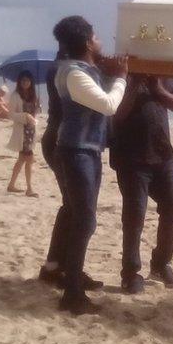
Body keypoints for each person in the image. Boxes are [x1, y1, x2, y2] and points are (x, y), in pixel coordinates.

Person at [52, 16, 127, 315]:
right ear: (86, 42)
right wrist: (121, 76)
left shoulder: (82, 70)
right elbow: (108, 104)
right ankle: (72, 293)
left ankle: (72, 277)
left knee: (78, 217)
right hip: (76, 152)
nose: (100, 40)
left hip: (85, 151)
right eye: (95, 36)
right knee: (85, 220)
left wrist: (111, 71)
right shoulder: (74, 74)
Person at [110, 74, 173, 294]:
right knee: (135, 216)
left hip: (163, 155)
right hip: (131, 159)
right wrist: (133, 84)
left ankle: (161, 264)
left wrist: (159, 90)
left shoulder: (162, 74)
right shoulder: (120, 76)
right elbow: (116, 115)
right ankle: (130, 273)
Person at [38, 57, 104, 291]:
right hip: (66, 143)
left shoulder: (61, 67)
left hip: (57, 139)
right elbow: (104, 103)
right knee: (80, 214)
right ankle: (67, 274)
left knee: (71, 207)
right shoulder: (71, 70)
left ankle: (56, 266)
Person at [6, 72, 40, 197]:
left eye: (28, 80)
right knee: (29, 159)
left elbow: (35, 114)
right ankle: (29, 189)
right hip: (22, 132)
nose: (25, 83)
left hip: (31, 131)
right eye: (23, 80)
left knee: (22, 159)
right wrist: (24, 116)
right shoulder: (15, 95)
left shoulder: (33, 96)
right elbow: (10, 114)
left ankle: (11, 185)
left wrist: (37, 108)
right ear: (19, 82)